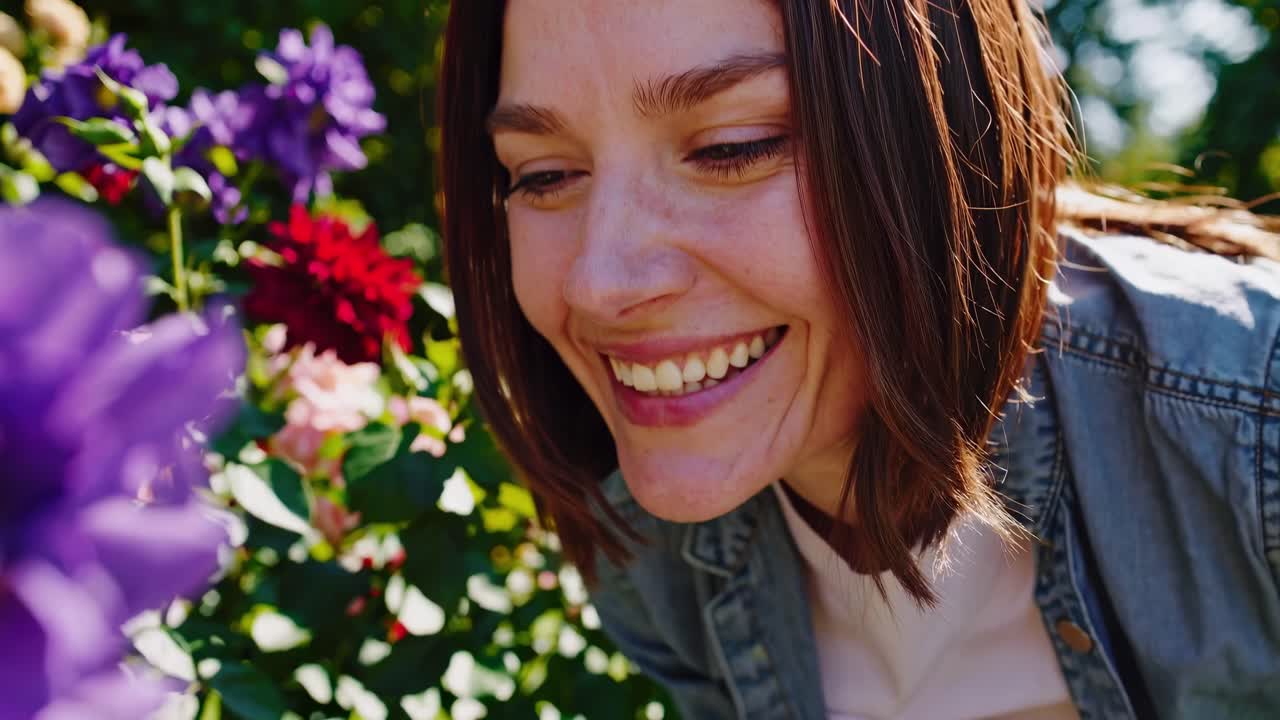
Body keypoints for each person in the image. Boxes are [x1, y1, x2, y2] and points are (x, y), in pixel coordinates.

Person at [436, 1, 1280, 717]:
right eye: (543, 175)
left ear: (945, 132)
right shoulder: (646, 549)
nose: (599, 282)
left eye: (730, 147)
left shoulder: (1253, 431)